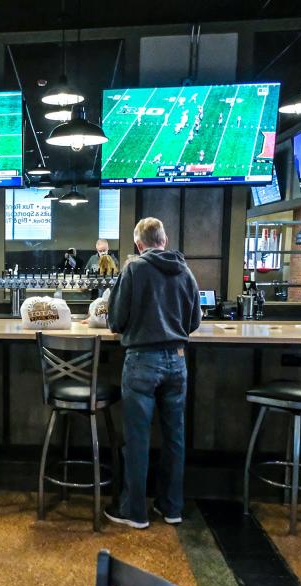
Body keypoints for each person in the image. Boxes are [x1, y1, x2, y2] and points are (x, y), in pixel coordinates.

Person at [105, 217, 201, 529]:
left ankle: (134, 512)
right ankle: (171, 507)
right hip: (177, 360)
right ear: (165, 238)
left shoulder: (133, 269)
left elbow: (116, 320)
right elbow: (195, 321)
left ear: (138, 243)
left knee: (137, 437)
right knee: (174, 436)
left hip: (142, 361)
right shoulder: (184, 270)